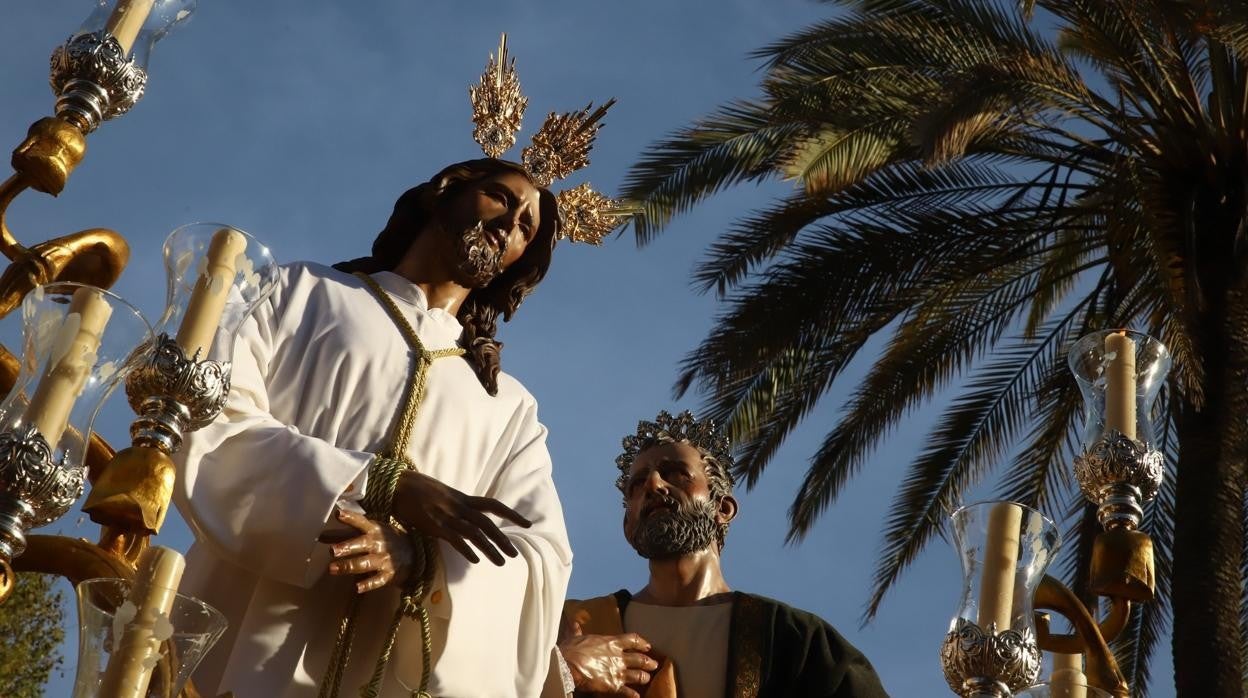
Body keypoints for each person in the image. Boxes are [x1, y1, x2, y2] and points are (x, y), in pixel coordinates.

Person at [174, 157, 574, 698]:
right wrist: (381, 483)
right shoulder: (299, 293)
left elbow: (541, 557)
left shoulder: (508, 407)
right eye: (503, 199)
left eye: (527, 227)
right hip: (248, 644)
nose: (511, 225)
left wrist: (424, 562)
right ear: (444, 191)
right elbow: (212, 420)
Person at [550, 410, 889, 698]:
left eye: (675, 474)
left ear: (722, 508)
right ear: (628, 525)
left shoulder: (793, 640)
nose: (654, 485)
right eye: (637, 485)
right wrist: (561, 671)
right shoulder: (573, 626)